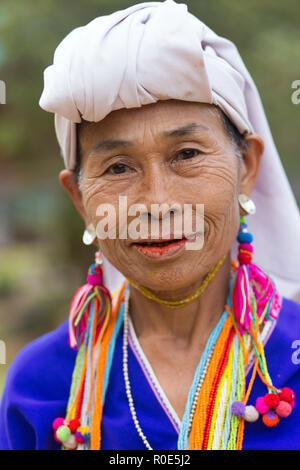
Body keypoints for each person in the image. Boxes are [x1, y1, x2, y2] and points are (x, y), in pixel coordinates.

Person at [1, 0, 300, 450]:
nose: (157, 203)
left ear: (247, 168)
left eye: (187, 155)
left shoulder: (289, 358)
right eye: (118, 168)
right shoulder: (41, 386)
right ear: (80, 198)